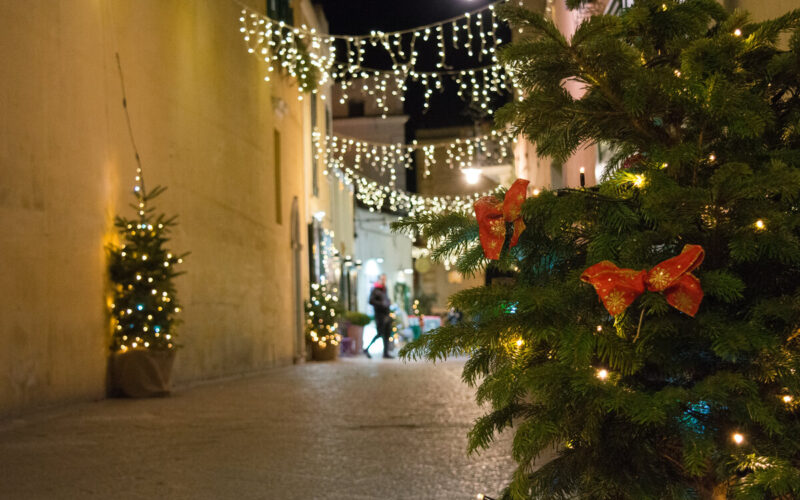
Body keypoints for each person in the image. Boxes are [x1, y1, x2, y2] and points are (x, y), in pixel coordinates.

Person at [365, 274, 393, 359]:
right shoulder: (375, 289)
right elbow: (370, 300)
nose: (384, 281)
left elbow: (385, 299)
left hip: (386, 314)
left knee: (387, 333)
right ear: (379, 279)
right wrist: (381, 304)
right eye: (382, 279)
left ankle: (385, 353)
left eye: (385, 279)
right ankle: (367, 349)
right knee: (380, 333)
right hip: (379, 315)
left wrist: (388, 302)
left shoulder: (384, 289)